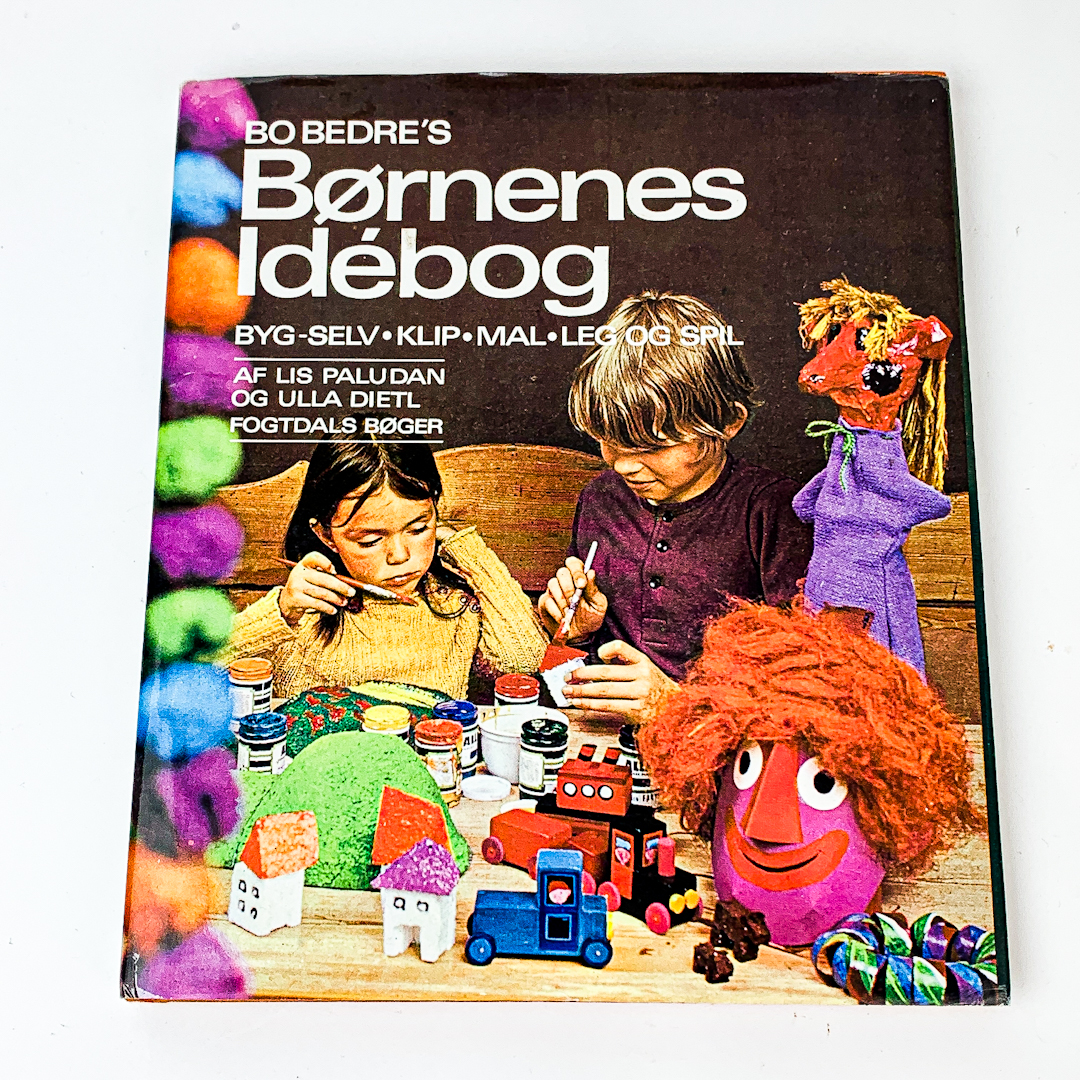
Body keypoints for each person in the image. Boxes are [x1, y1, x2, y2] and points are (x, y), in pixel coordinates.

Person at [538, 290, 813, 719]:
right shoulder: (600, 499)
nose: (624, 465)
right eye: (609, 441)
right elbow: (567, 681)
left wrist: (674, 705)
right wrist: (573, 635)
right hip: (604, 732)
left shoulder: (772, 512)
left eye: (652, 446)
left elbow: (805, 686)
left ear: (728, 422)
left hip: (727, 743)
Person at [223, 427, 548, 701]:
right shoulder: (305, 610)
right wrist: (282, 610)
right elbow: (206, 668)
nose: (400, 556)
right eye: (369, 540)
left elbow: (524, 658)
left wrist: (464, 548)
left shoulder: (453, 605)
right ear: (326, 535)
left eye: (418, 529)